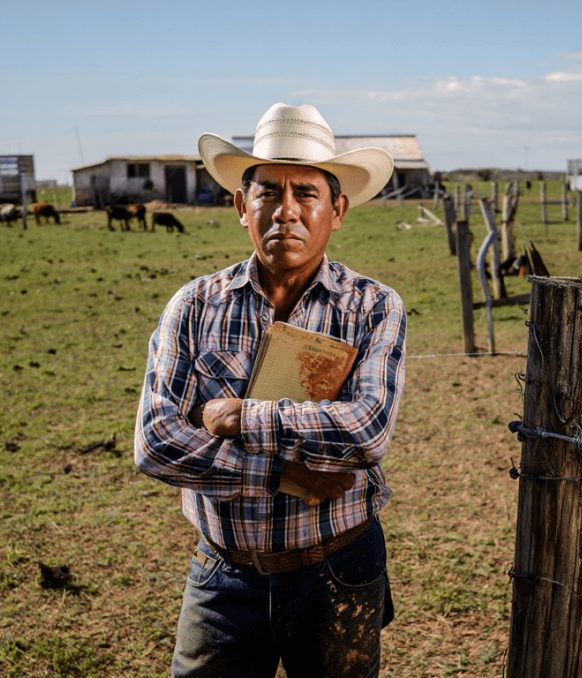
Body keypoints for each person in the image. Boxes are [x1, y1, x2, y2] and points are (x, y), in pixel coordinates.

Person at [134, 102, 406, 677]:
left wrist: (242, 417)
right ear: (242, 206)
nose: (286, 211)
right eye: (268, 193)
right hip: (225, 570)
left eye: (306, 193)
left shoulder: (373, 306)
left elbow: (367, 430)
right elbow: (156, 442)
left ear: (337, 210)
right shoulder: (195, 304)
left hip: (337, 562)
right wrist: (283, 474)